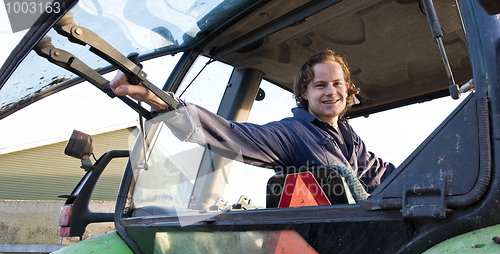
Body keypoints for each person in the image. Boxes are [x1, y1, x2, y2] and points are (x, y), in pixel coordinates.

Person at [110, 50, 394, 194]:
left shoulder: (348, 138)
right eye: (320, 85)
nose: (331, 91)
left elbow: (380, 174)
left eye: (337, 83)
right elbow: (231, 135)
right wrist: (154, 98)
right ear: (304, 93)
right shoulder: (292, 132)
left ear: (347, 89)